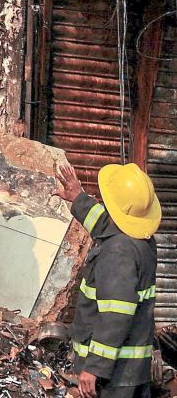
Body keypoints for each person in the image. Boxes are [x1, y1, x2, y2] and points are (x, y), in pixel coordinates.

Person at [55, 159, 159, 398]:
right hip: (129, 370)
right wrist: (78, 198)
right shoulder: (140, 238)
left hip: (114, 376)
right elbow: (106, 226)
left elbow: (116, 315)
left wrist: (94, 367)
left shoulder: (118, 252)